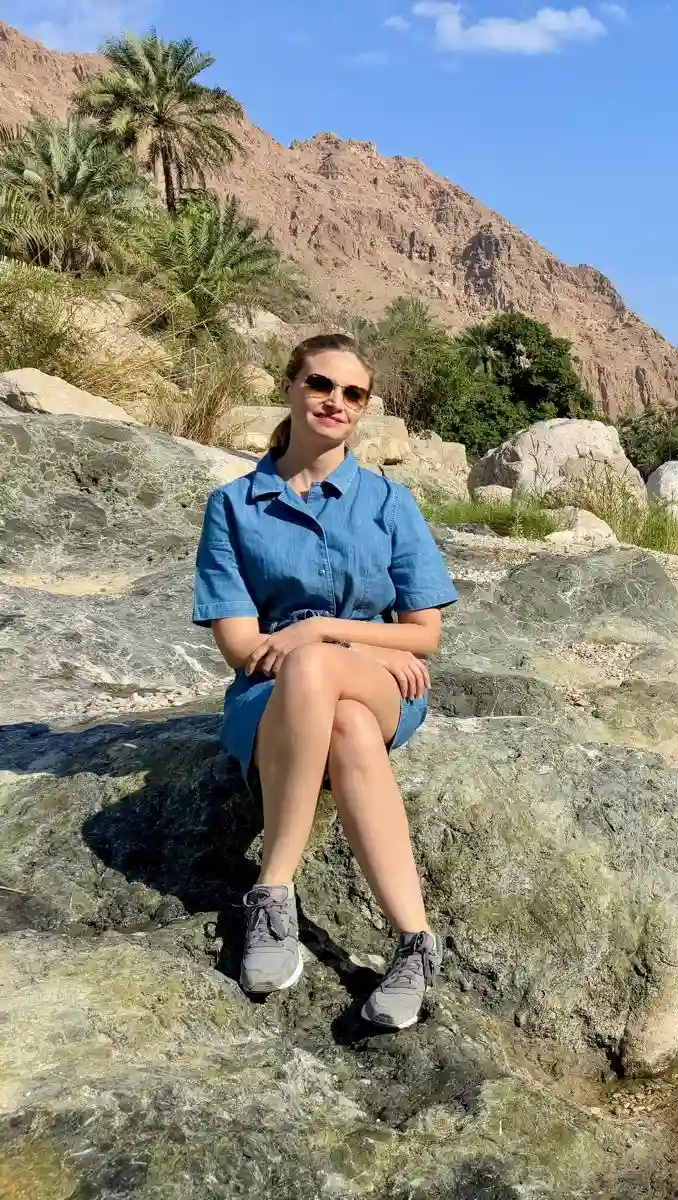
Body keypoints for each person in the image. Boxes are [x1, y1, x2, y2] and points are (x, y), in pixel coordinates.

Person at [192, 332, 459, 1030]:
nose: (334, 402)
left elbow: (424, 634)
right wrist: (334, 645)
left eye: (352, 393)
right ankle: (415, 943)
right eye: (320, 384)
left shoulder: (387, 503)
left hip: (382, 680)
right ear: (290, 387)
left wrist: (322, 633)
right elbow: (242, 647)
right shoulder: (234, 507)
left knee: (317, 662)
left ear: (365, 408)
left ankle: (272, 888)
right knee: (342, 725)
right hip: (271, 696)